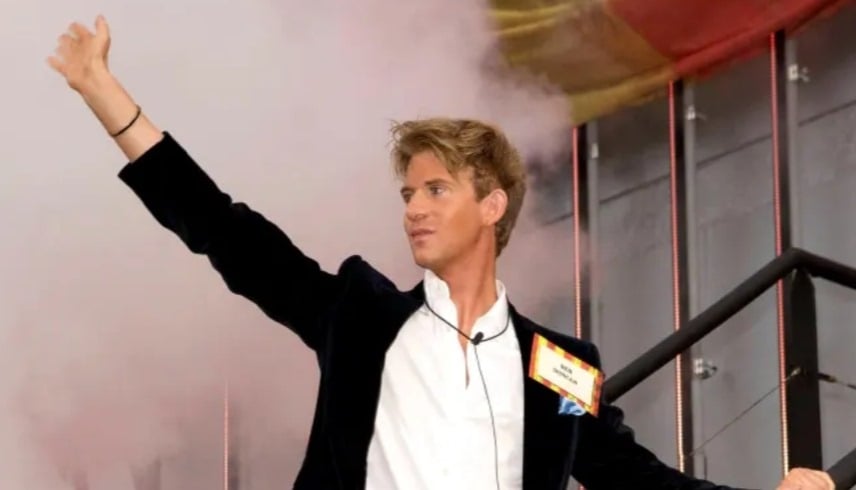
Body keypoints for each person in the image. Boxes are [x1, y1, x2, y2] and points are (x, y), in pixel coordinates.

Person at [47, 16, 836, 490]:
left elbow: (636, 481)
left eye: (435, 190)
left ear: (492, 206)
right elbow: (229, 234)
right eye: (407, 193)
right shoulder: (359, 316)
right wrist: (105, 95)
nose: (414, 209)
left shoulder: (559, 365)